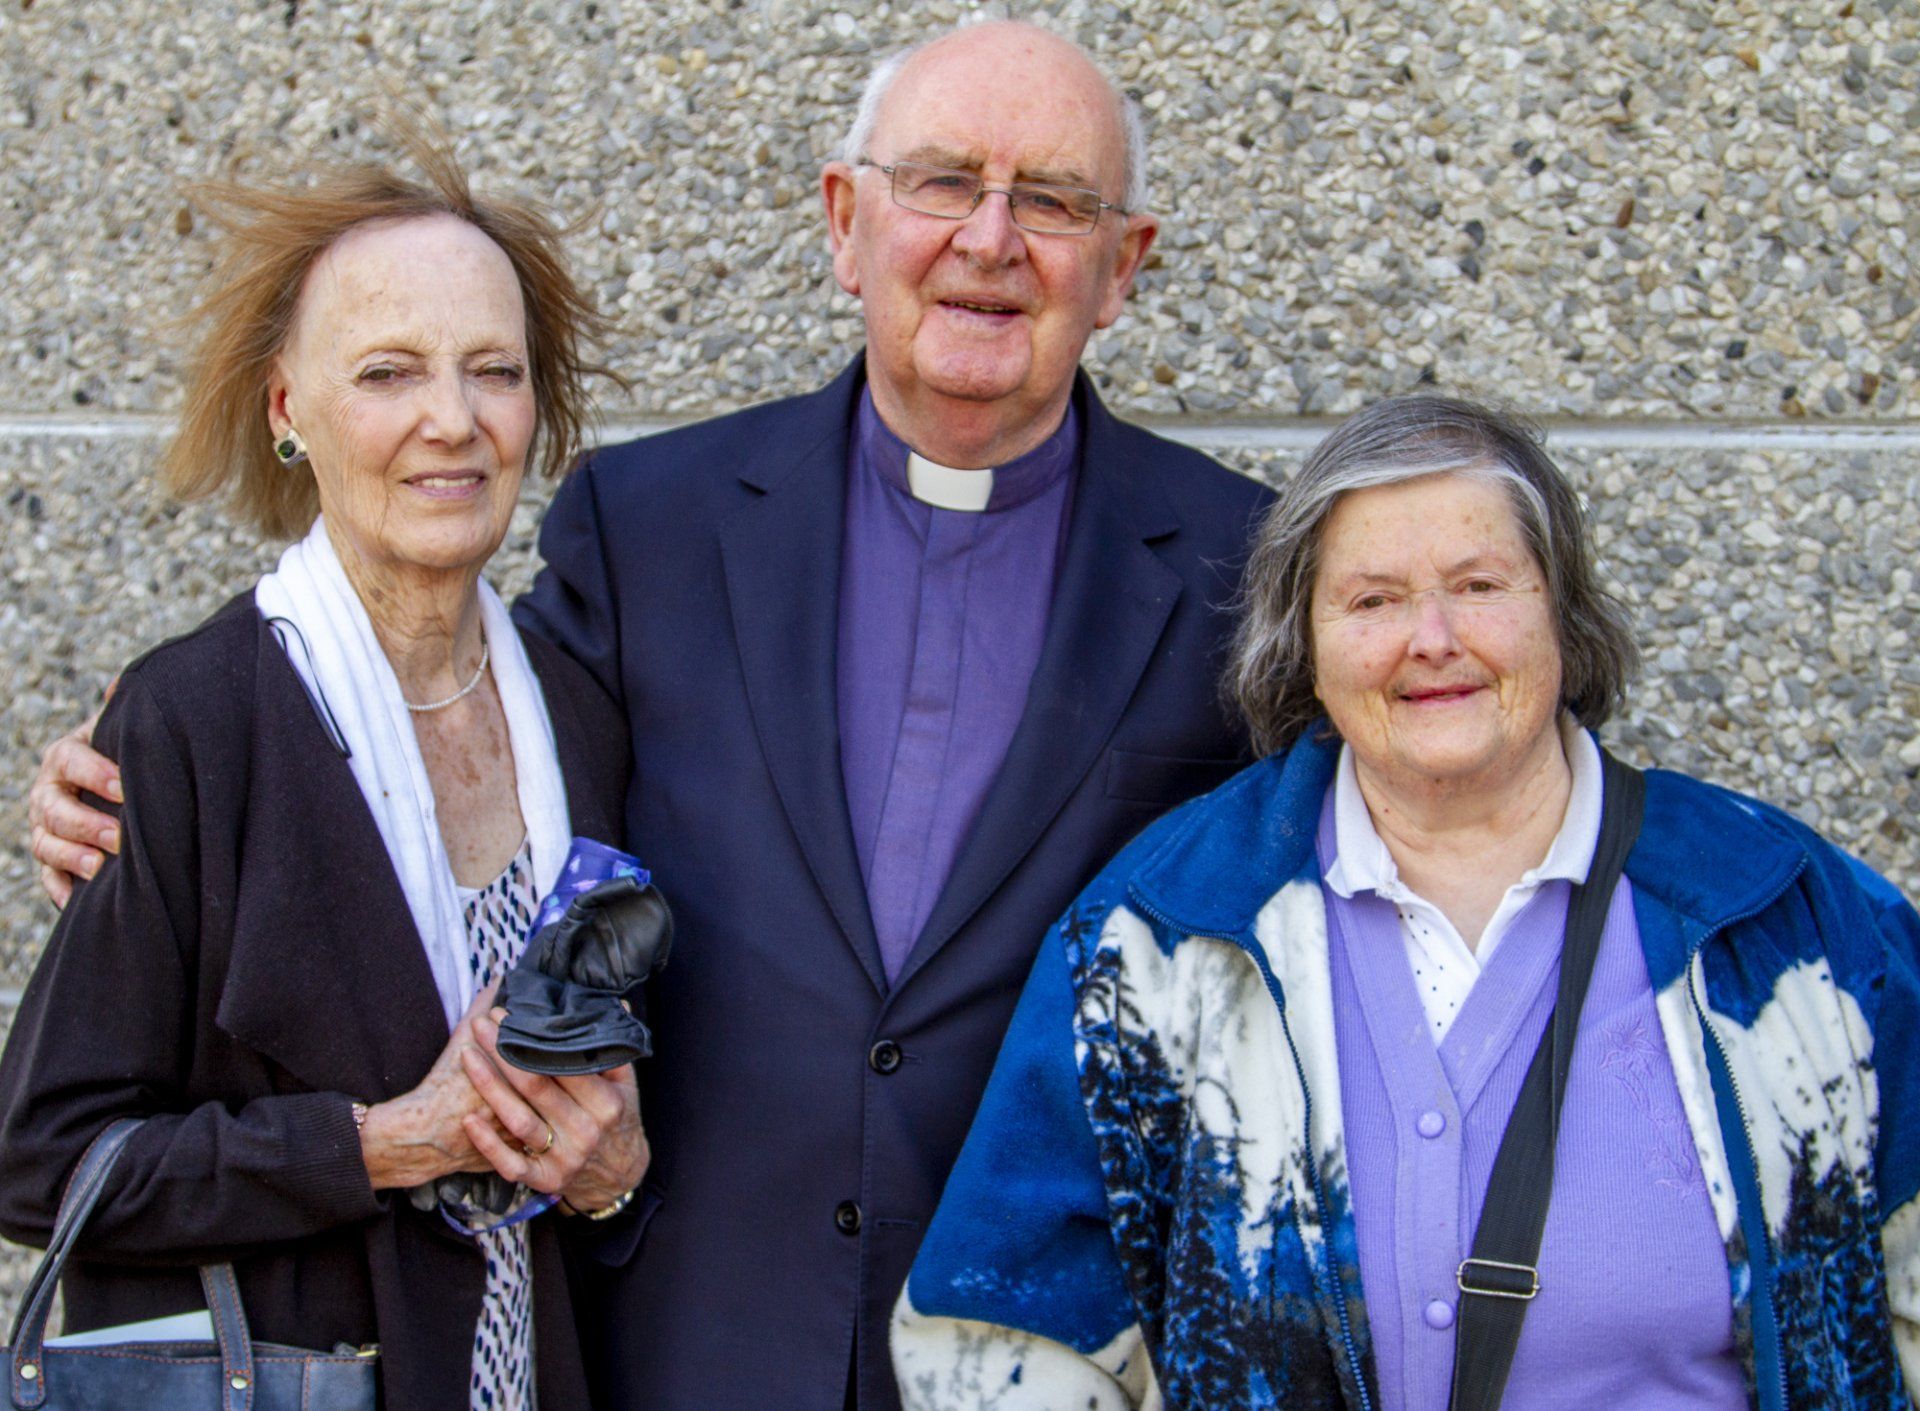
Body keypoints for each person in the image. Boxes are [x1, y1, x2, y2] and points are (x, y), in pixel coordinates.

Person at [28, 22, 1274, 1411]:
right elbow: (382, 734)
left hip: (1052, 1364)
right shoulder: (654, 529)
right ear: (846, 221)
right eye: (939, 183)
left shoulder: (1250, 572)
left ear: (1126, 264)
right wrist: (124, 775)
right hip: (679, 1349)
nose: (990, 238)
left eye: (1052, 199)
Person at [892, 394, 1920, 1410]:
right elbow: (996, 1346)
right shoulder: (1165, 932)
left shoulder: (1788, 917)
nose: (1432, 637)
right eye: (1373, 600)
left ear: (1561, 612)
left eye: (1478, 585)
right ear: (1307, 644)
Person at [0, 143, 649, 1410]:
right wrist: (385, 1143)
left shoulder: (581, 715)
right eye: (388, 372)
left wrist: (609, 1169)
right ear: (288, 407)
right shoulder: (195, 719)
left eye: (494, 372)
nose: (451, 420)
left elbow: (610, 1123)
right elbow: (40, 1156)